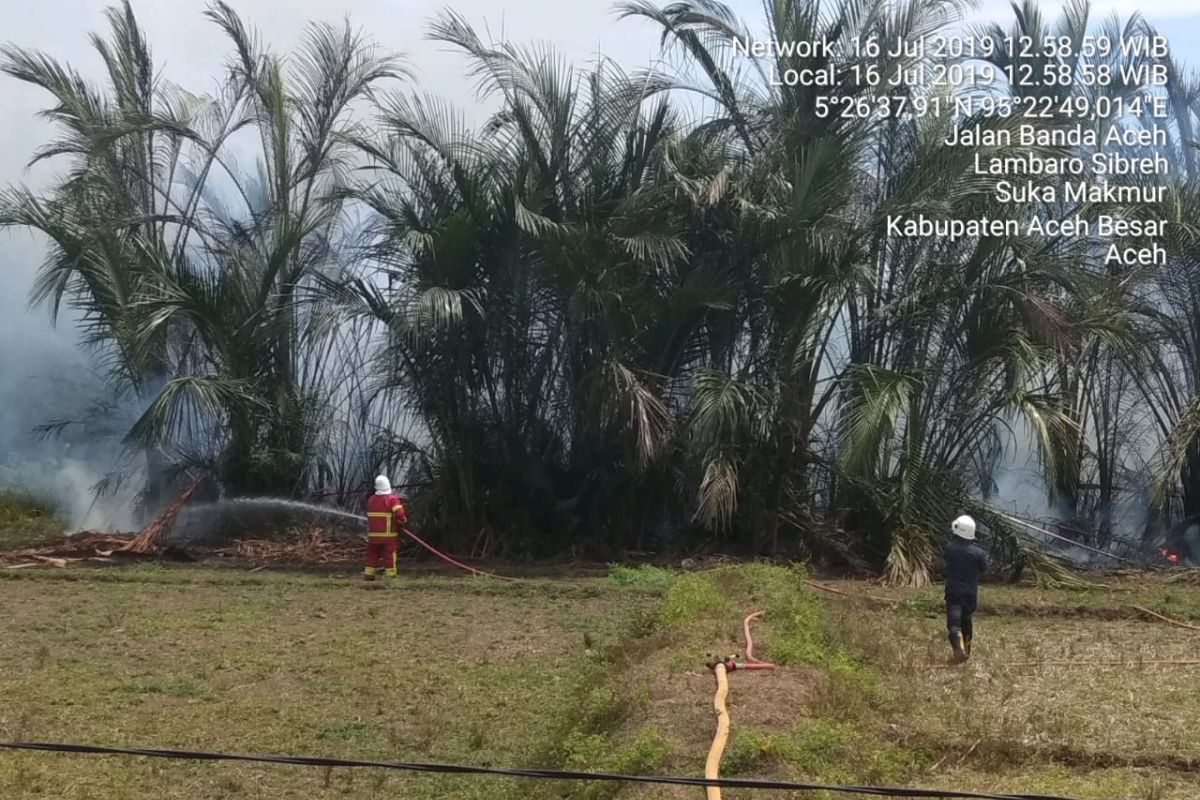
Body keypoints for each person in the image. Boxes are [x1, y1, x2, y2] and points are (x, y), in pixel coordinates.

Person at [945, 514, 989, 663]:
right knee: (966, 622)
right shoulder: (979, 553)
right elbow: (984, 569)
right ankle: (967, 652)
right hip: (970, 595)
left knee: (954, 624)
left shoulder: (950, 549)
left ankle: (959, 649)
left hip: (954, 594)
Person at [364, 475, 407, 581]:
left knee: (372, 554)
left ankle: (369, 574)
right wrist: (403, 520)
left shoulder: (371, 499)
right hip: (389, 535)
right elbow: (400, 514)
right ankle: (390, 575)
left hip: (373, 536)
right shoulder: (392, 499)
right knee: (389, 555)